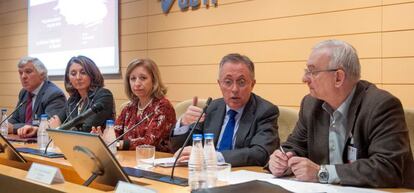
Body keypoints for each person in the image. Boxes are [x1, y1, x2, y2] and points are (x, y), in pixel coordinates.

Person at [268, 40, 414, 188]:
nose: (304, 79)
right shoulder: (311, 104)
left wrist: (321, 173)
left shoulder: (381, 106)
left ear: (338, 77)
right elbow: (295, 146)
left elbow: (388, 168)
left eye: (312, 72)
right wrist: (280, 160)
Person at [170, 53, 280, 167]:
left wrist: (212, 157)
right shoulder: (211, 108)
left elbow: (260, 153)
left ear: (252, 84)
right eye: (228, 82)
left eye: (241, 82)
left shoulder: (265, 111)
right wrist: (183, 124)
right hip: (205, 175)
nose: (234, 89)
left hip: (241, 177)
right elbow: (180, 148)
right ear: (219, 83)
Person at [108, 58, 176, 152]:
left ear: (154, 80)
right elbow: (115, 134)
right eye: (133, 78)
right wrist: (104, 137)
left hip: (155, 162)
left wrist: (117, 144)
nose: (137, 83)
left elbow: (150, 142)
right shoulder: (129, 108)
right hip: (129, 160)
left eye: (143, 78)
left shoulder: (163, 106)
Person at [48, 55, 115, 132]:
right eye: (73, 74)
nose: (78, 77)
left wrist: (58, 128)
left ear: (92, 75)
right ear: (69, 78)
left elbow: (86, 129)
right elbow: (55, 120)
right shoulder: (73, 100)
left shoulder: (103, 95)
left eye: (83, 72)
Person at [9, 56, 66, 138]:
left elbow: (47, 125)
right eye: (20, 73)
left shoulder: (54, 94)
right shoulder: (24, 92)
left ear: (42, 74)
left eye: (28, 72)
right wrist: (5, 125)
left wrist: (14, 128)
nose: (23, 76)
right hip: (24, 141)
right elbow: (15, 119)